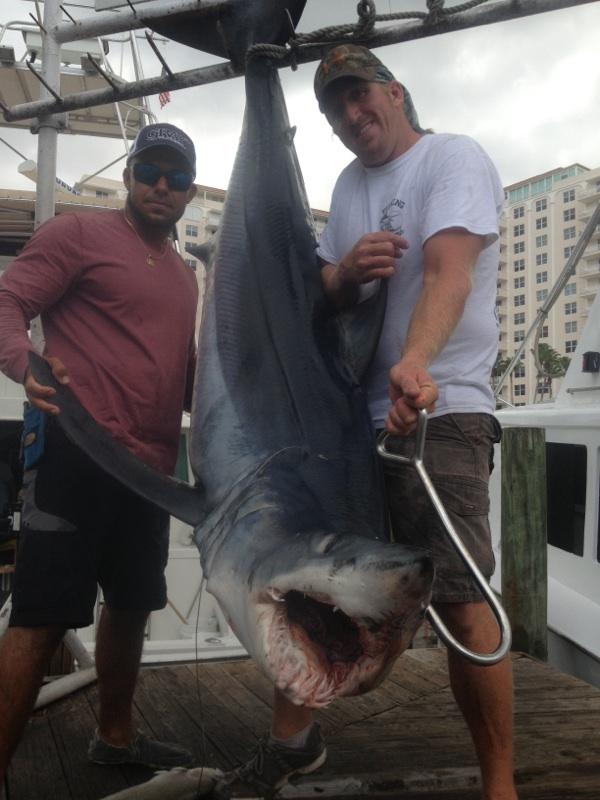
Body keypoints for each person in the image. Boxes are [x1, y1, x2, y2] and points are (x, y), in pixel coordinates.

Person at [228, 45, 516, 800]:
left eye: (362, 97)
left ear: (395, 93)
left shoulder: (451, 160)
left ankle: (500, 783)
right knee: (307, 582)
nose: (353, 116)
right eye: (336, 109)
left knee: (460, 595)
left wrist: (416, 363)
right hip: (350, 427)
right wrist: (343, 272)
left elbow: (450, 268)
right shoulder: (349, 186)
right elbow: (319, 292)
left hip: (439, 409)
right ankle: (291, 743)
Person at [0, 123, 200, 781]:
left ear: (190, 191)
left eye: (175, 176)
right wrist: (21, 361)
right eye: (150, 171)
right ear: (130, 175)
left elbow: (180, 367)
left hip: (148, 471)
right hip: (74, 451)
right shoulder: (80, 234)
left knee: (134, 601)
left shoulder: (183, 274)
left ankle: (115, 737)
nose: (161, 186)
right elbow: (8, 299)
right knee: (42, 616)